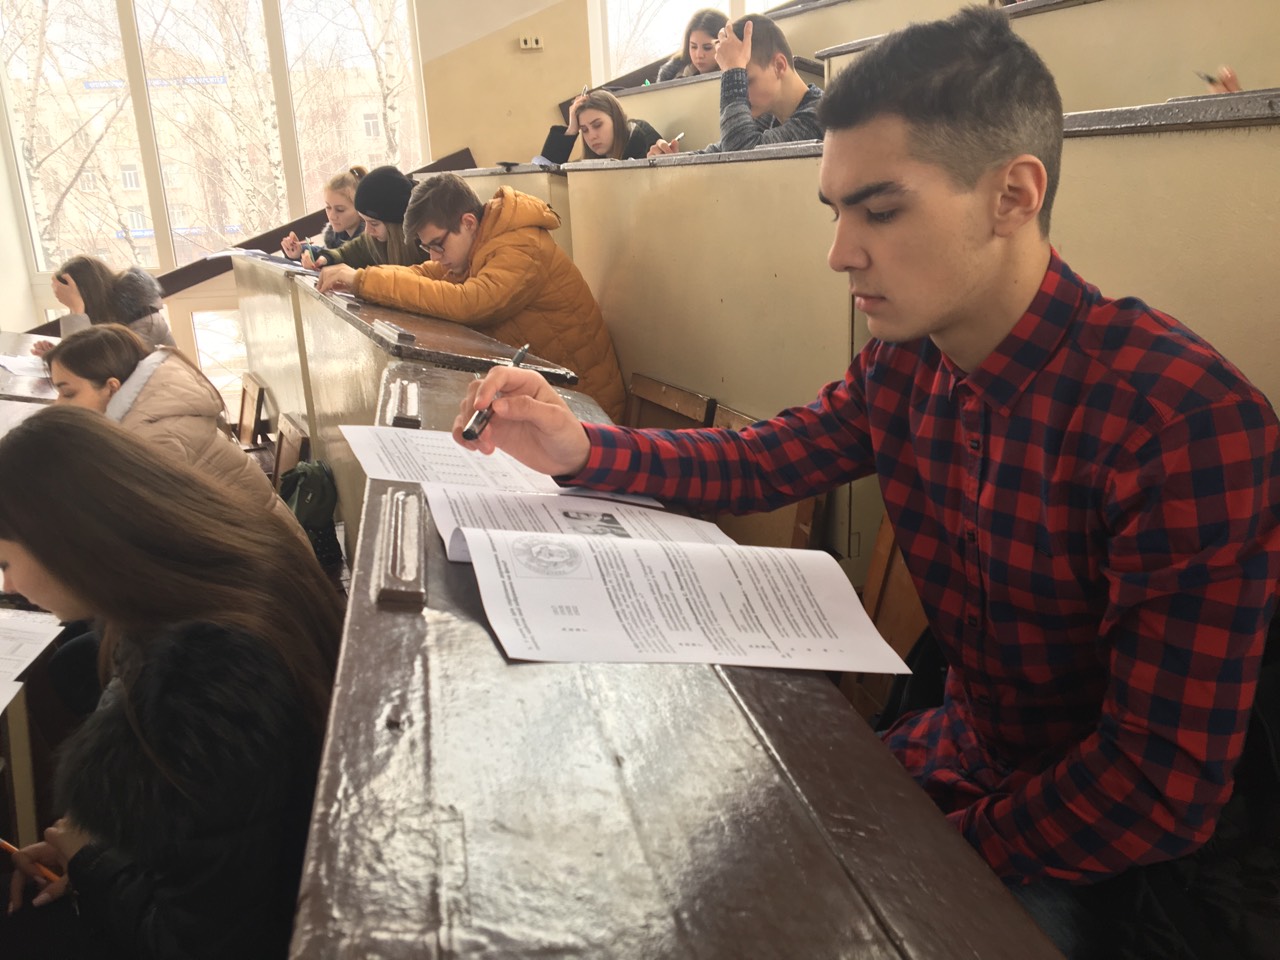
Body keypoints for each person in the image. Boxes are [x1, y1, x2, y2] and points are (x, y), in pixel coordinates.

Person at [455, 8, 1280, 957]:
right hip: (960, 758)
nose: (840, 252)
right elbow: (768, 457)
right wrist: (579, 450)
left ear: (1013, 195)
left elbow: (1154, 789)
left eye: (880, 211)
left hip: (1106, 862)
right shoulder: (911, 359)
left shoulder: (1183, 421)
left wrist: (907, 852)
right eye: (836, 211)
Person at [0, 405, 342, 959]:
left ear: (64, 544)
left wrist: (90, 861)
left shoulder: (203, 681)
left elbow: (206, 943)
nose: (10, 587)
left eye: (5, 564)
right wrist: (91, 854)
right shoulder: (221, 565)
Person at [317, 173, 626, 422]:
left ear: (467, 222)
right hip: (547, 398)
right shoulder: (477, 246)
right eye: (427, 248)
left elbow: (470, 303)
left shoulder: (521, 245)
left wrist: (362, 280)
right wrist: (359, 279)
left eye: (437, 244)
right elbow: (423, 273)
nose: (434, 256)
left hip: (588, 410)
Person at [42, 324, 302, 538]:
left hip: (273, 567)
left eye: (68, 393)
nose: (57, 405)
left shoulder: (152, 439)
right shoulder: (147, 417)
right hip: (264, 549)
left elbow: (147, 534)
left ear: (112, 387)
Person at [649, 15, 822, 156]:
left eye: (746, 81)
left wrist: (733, 72)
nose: (741, 96)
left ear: (779, 66)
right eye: (739, 83)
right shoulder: (768, 116)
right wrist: (671, 160)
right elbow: (722, 152)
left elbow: (739, 162)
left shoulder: (821, 119)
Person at [300, 164, 428, 271]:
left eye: (374, 223)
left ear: (397, 223)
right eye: (365, 221)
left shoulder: (428, 249)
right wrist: (326, 259)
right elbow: (344, 254)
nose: (367, 230)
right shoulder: (371, 240)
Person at [38, 255, 176, 354]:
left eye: (73, 301)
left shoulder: (143, 319)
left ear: (88, 295)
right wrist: (54, 355)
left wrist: (76, 309)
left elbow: (85, 369)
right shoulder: (108, 312)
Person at [537, 90, 662, 164]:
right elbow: (545, 172)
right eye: (584, 130)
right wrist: (571, 130)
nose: (592, 136)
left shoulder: (643, 140)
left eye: (597, 125)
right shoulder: (589, 163)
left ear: (616, 119)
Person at [280, 165, 368, 261]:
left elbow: (339, 259)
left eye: (340, 210)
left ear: (360, 208)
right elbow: (325, 253)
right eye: (328, 207)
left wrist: (322, 263)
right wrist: (300, 251)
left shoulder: (368, 243)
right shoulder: (337, 236)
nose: (331, 216)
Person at [656, 8, 729, 82]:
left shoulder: (732, 77)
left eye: (707, 48)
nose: (699, 55)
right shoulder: (670, 75)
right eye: (693, 47)